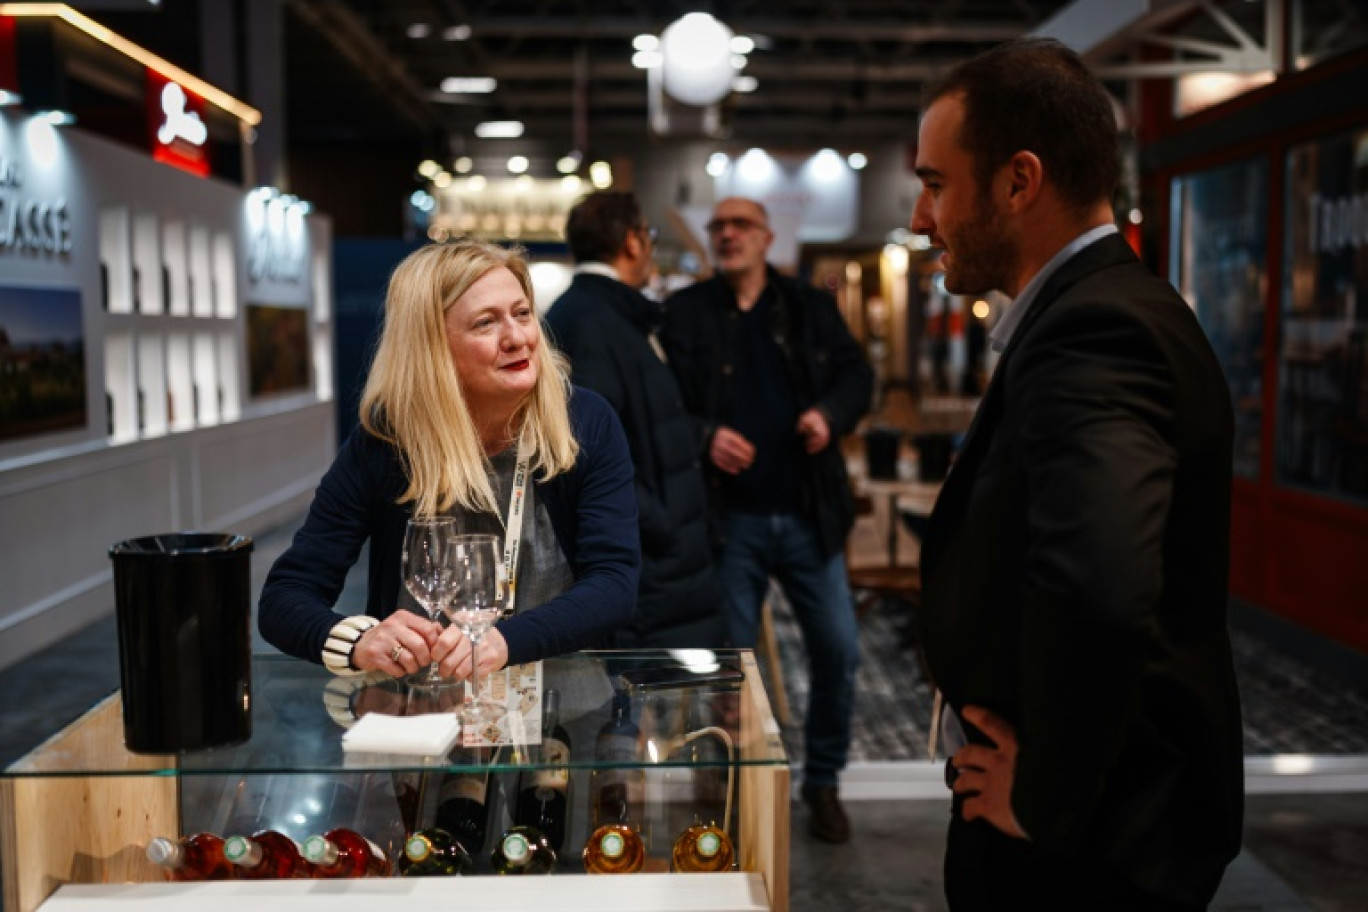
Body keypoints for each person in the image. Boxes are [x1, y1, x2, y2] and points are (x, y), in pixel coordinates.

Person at [910, 38, 1242, 910]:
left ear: (1019, 182)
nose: (919, 217)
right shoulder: (1095, 310)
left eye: (936, 184)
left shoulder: (1096, 329)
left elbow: (1096, 578)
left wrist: (1047, 797)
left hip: (1087, 847)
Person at [259, 239, 640, 681]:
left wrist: (504, 641)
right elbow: (285, 598)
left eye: (522, 313)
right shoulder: (388, 440)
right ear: (432, 347)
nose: (517, 337)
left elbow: (614, 585)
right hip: (420, 720)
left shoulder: (584, 421)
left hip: (565, 717)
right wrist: (360, 641)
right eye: (485, 323)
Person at [662, 196, 873, 843]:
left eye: (740, 226)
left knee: (838, 649)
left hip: (809, 514)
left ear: (766, 237)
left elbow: (858, 377)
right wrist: (705, 437)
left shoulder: (807, 306)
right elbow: (662, 406)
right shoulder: (685, 314)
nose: (726, 235)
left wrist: (829, 415)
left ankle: (824, 783)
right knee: (727, 664)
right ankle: (729, 786)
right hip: (732, 522)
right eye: (718, 225)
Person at [544, 190, 725, 648]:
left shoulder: (610, 313)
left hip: (658, 557)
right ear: (632, 242)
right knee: (644, 707)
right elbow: (586, 446)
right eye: (649, 234)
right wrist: (661, 528)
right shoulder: (595, 320)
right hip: (647, 562)